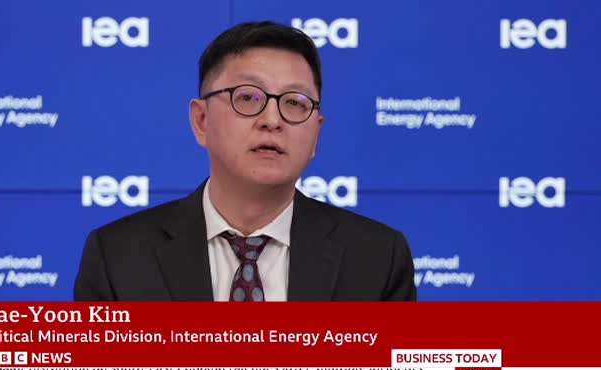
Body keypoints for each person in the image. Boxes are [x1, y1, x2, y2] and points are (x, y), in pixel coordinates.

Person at [74, 21, 416, 301]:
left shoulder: (377, 258)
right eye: (249, 97)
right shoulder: (118, 257)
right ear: (201, 120)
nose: (272, 120)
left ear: (316, 133)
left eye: (295, 102)